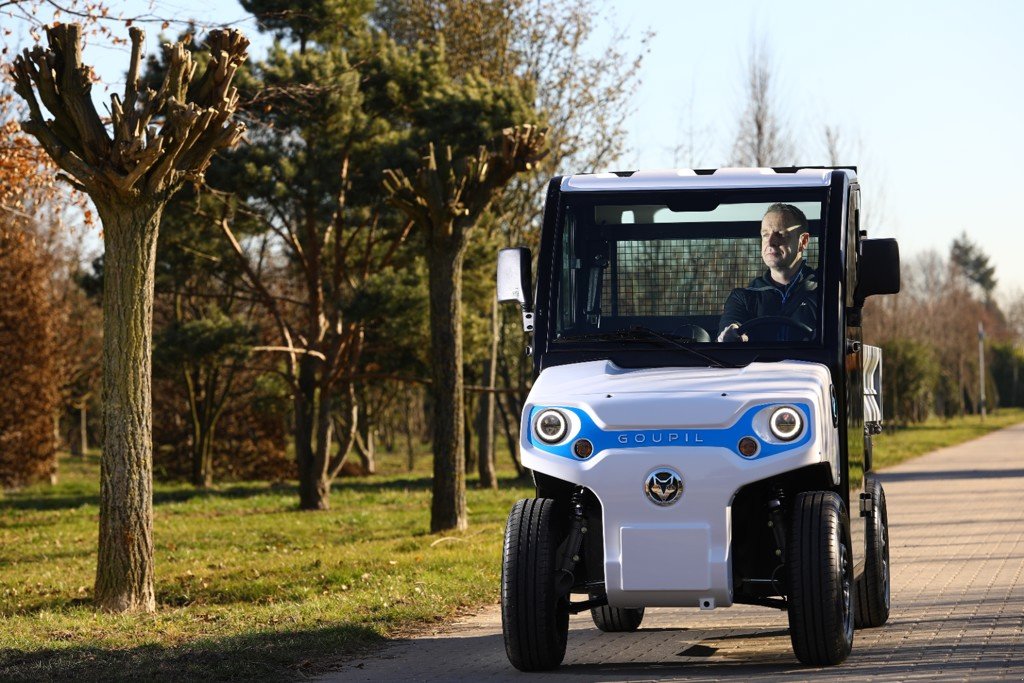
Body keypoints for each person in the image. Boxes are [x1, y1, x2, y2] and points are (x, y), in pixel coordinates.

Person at [717, 203, 819, 342]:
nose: (770, 242)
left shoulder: (824, 293)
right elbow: (730, 330)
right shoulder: (744, 298)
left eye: (781, 234)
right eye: (765, 235)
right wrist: (732, 334)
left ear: (803, 241)